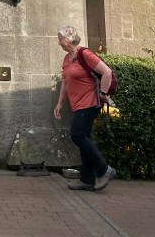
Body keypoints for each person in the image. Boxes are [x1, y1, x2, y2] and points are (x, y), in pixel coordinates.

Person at [53, 25, 116, 191]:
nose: (59, 43)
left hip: (90, 102)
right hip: (77, 104)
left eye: (60, 39)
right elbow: (65, 82)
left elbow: (107, 72)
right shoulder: (67, 59)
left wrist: (103, 93)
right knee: (84, 138)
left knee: (77, 135)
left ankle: (104, 169)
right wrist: (59, 103)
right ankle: (87, 179)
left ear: (70, 39)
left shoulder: (85, 54)